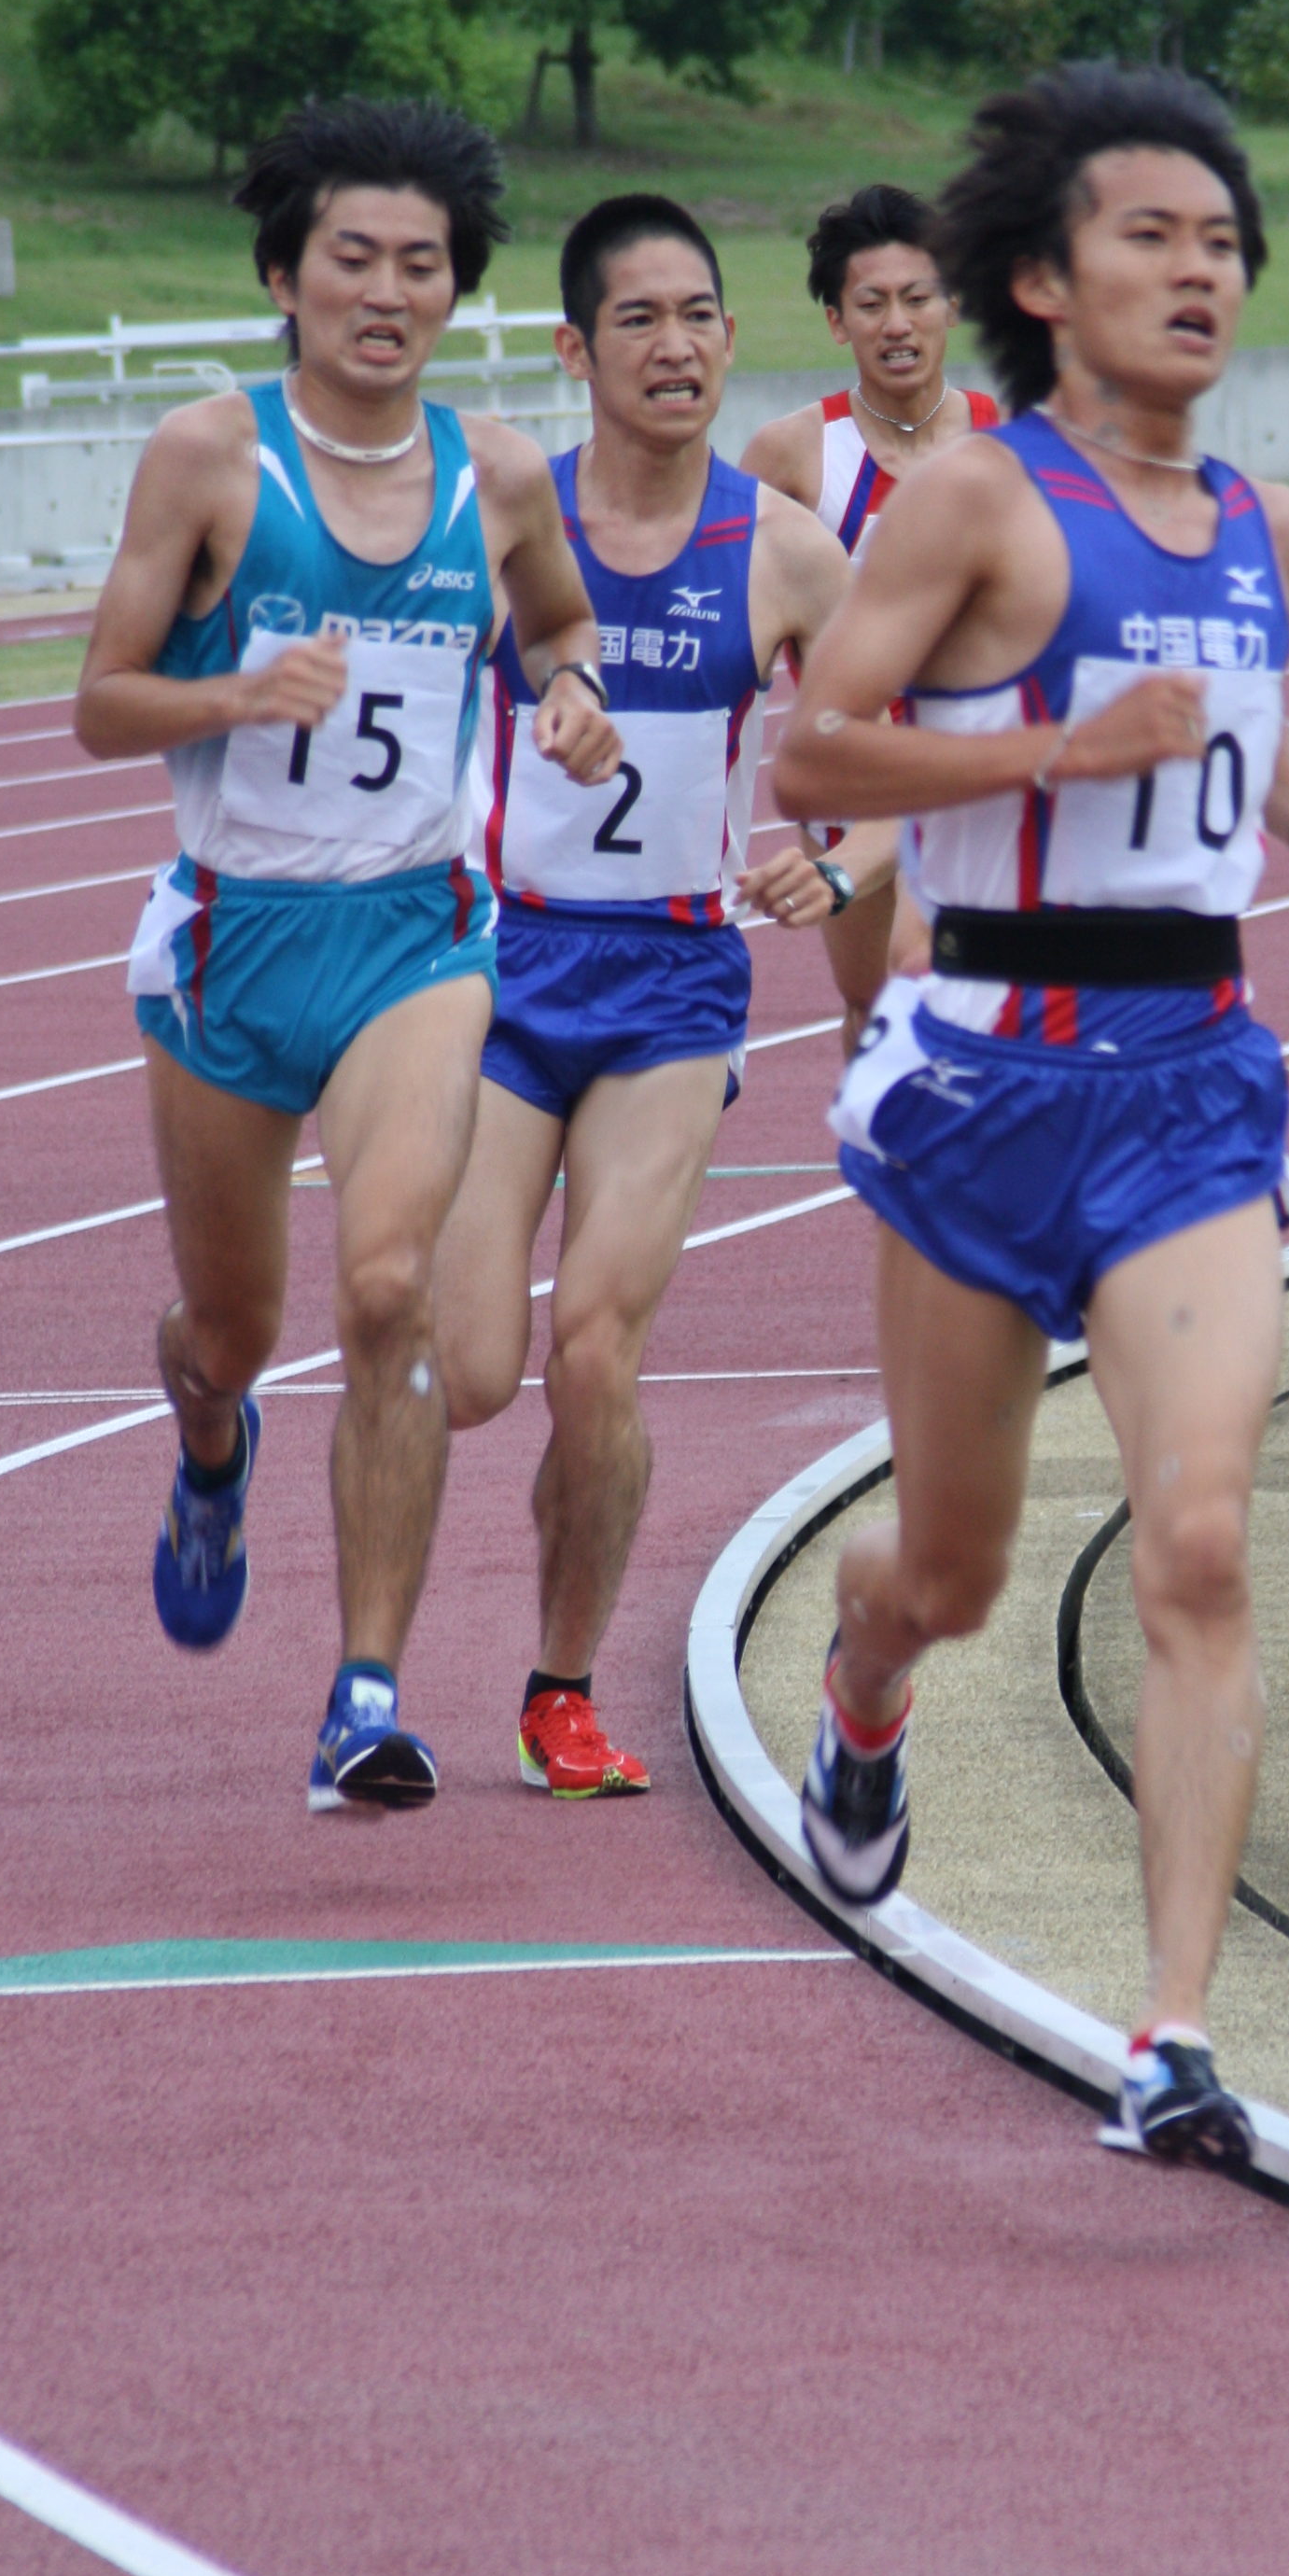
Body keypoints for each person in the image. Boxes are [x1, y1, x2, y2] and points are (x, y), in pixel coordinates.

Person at [773, 64, 1289, 2172]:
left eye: (1223, 241)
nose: (1198, 269)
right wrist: (1050, 753)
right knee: (947, 1571)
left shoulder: (1273, 531)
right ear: (1040, 279)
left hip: (1193, 1081)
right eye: (1152, 235)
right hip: (980, 1075)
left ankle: (1174, 2036)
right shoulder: (975, 499)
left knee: (1197, 1543)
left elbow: (1227, 714)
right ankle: (861, 1699)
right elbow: (817, 761)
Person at [76, 97, 621, 1813]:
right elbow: (101, 704)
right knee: (229, 1330)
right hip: (234, 945)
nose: (388, 292)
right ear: (284, 276)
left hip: (416, 933)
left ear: (458, 291)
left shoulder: (501, 469)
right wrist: (235, 688)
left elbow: (550, 613)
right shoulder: (209, 458)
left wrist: (572, 685)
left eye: (424, 266)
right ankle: (209, 1445)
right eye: (353, 260)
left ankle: (365, 1694)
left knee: (387, 1285)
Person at [434, 194, 890, 1798]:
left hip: (677, 985)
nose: (678, 344)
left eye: (700, 313)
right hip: (497, 970)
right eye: (640, 318)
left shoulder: (779, 549)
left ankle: (560, 1687)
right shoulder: (499, 521)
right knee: (476, 1368)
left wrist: (836, 867)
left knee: (598, 1354)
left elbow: (893, 766)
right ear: (576, 346)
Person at [741, 184, 1000, 1053]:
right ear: (836, 322)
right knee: (873, 1001)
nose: (897, 323)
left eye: (917, 298)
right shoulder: (792, 454)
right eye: (871, 303)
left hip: (980, 768)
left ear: (953, 304)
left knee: (949, 987)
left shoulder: (1014, 443)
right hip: (855, 775)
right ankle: (887, 1179)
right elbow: (736, 617)